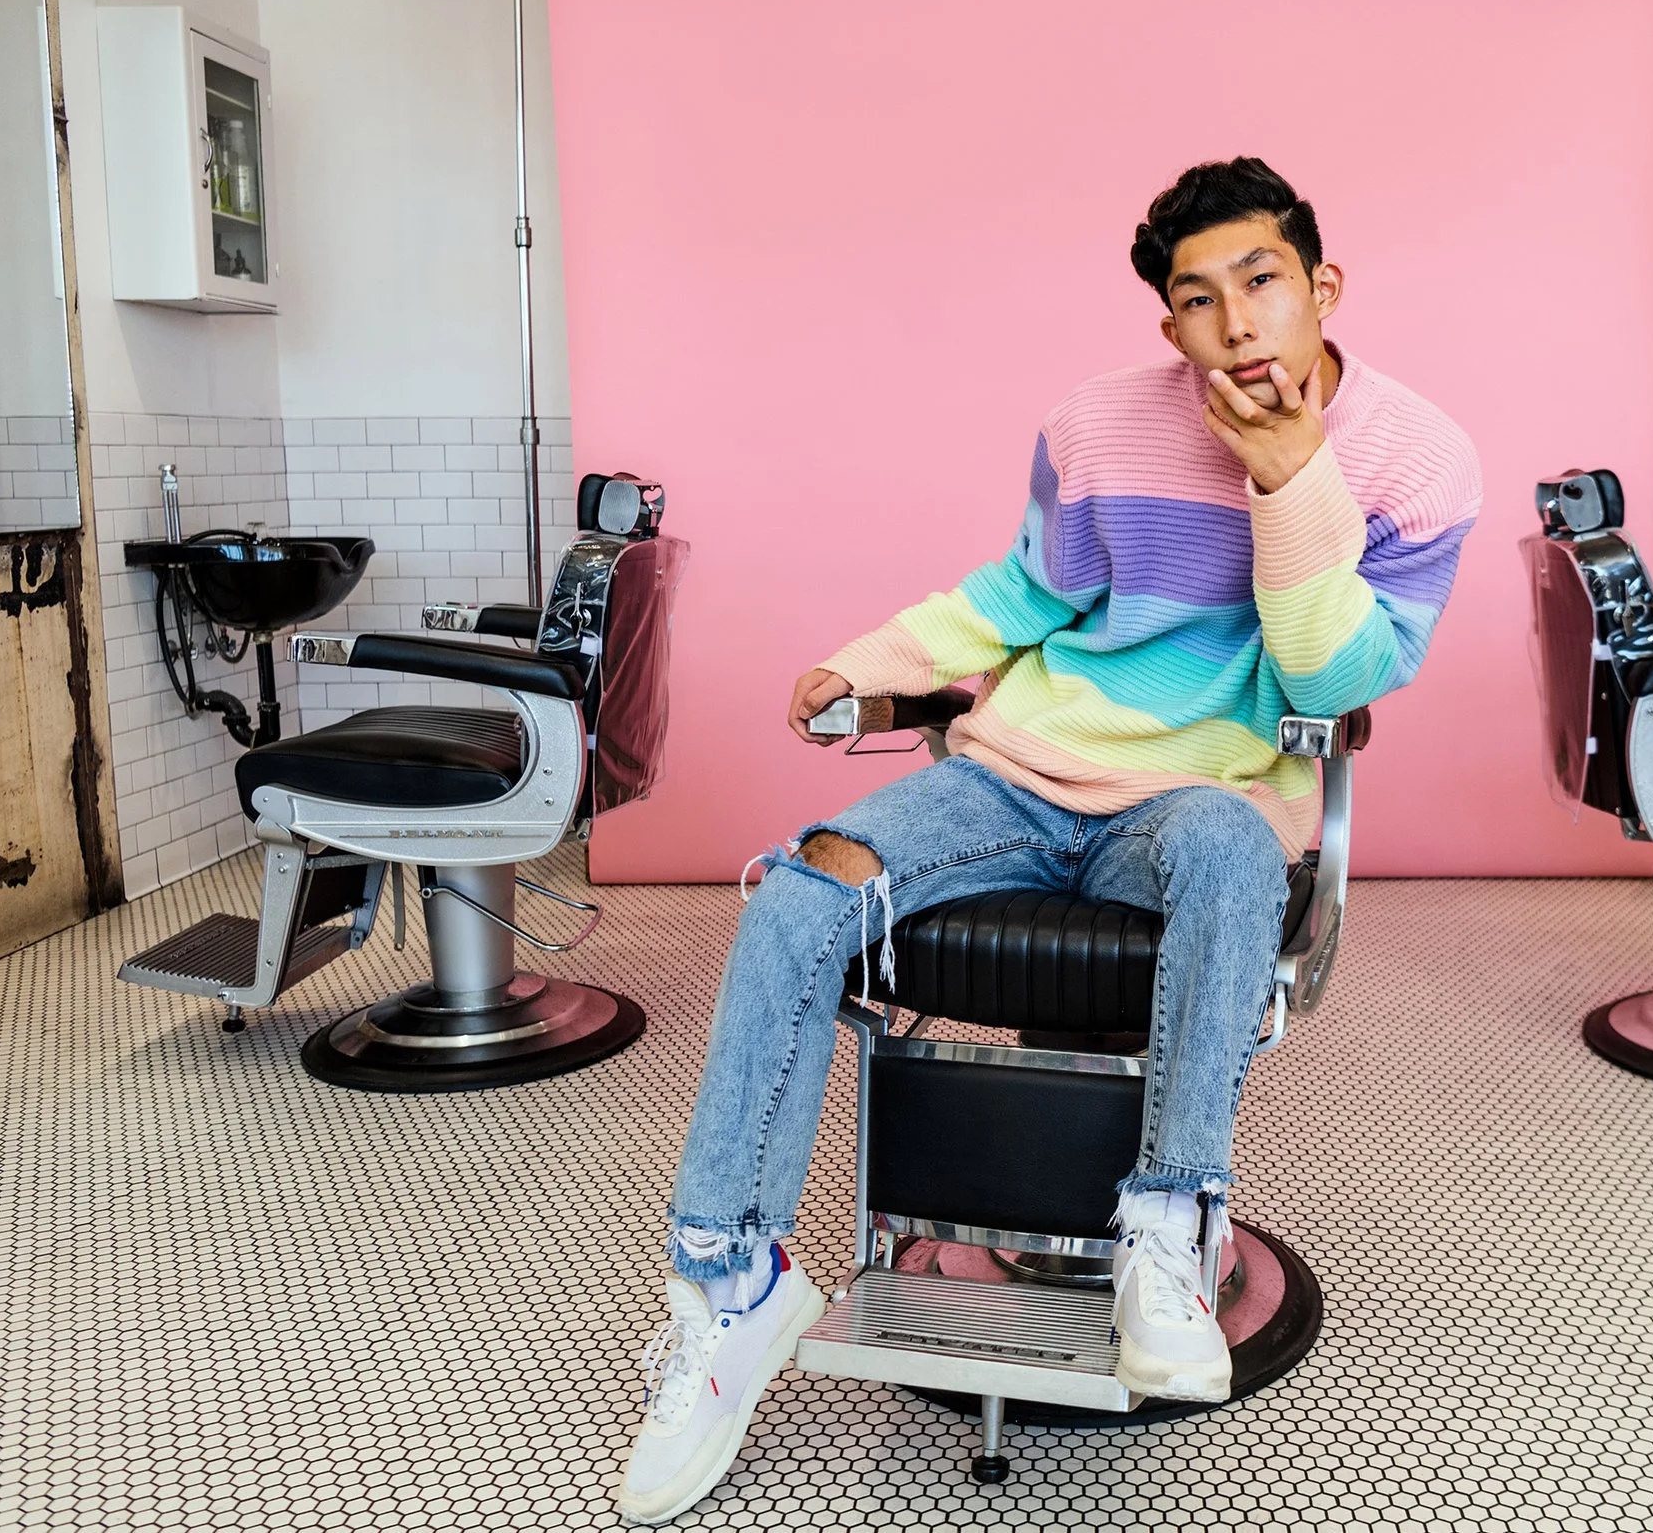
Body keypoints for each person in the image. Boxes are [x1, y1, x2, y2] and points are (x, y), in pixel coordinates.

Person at [618, 156, 1482, 1524]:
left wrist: (1294, 479)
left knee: (1225, 851)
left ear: (1321, 285)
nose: (1240, 322)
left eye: (1263, 281)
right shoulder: (1094, 427)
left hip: (1199, 802)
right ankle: (735, 1288)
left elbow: (1328, 685)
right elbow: (1018, 595)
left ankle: (1165, 1229)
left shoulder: (1420, 459)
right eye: (1201, 300)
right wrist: (869, 664)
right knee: (801, 887)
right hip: (1018, 777)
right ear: (1171, 327)